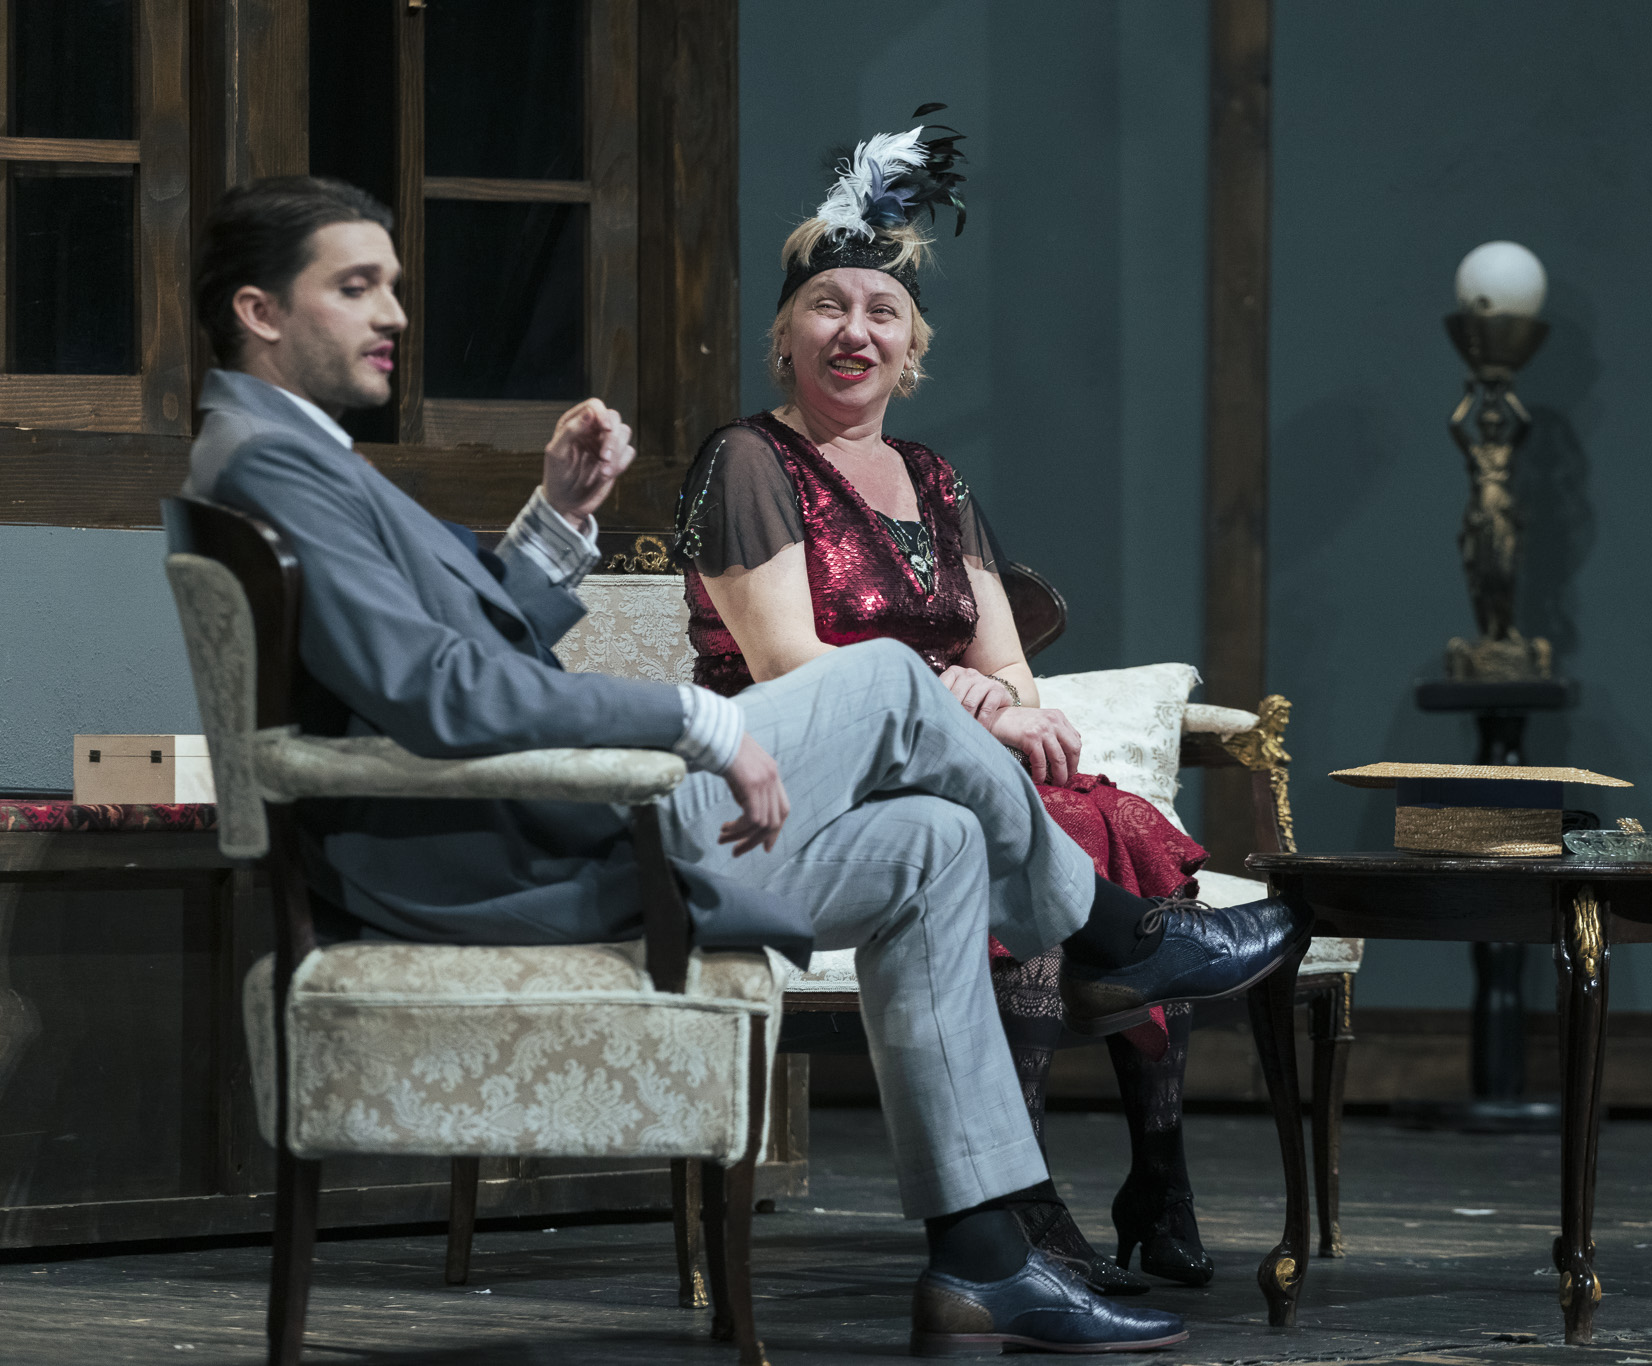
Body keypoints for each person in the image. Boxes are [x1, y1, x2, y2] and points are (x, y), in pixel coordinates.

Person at [182, 174, 1307, 1356]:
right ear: (262, 310)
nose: (394, 314)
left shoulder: (290, 453)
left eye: (393, 286)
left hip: (553, 832)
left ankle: (983, 1260)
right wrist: (694, 721)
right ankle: (1114, 934)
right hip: (523, 849)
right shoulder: (272, 467)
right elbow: (444, 697)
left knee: (935, 844)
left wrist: (556, 521)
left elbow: (458, 651)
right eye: (358, 286)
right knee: (887, 679)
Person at [678, 113, 1261, 1293]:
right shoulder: (746, 461)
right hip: (804, 776)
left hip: (952, 765)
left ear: (912, 347)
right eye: (827, 308)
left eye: (881, 312)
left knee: (1095, 817)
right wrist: (959, 696)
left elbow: (1012, 676)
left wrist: (988, 702)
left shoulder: (936, 479)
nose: (854, 331)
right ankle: (1026, 1200)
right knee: (1021, 827)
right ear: (783, 336)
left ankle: (1157, 1172)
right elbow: (789, 666)